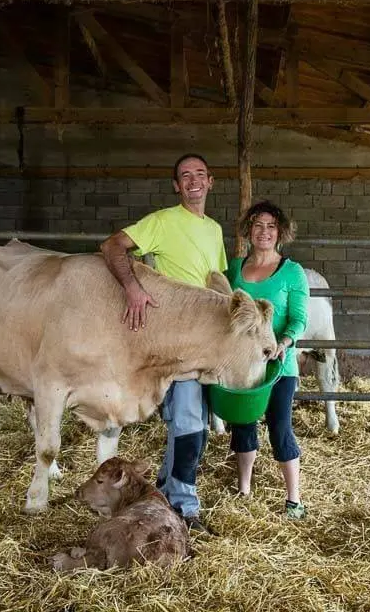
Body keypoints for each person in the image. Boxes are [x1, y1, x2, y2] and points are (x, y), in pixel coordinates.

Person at [100, 154, 227, 535]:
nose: (193, 181)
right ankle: (184, 508)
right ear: (176, 185)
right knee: (188, 420)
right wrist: (132, 288)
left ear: (210, 182)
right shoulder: (163, 220)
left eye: (200, 174)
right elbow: (112, 246)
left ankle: (163, 493)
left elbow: (215, 282)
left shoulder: (215, 230)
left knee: (194, 423)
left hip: (204, 342)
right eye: (185, 175)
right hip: (173, 344)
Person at [225, 200, 309, 519]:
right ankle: (244, 490)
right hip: (243, 365)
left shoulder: (292, 272)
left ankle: (293, 500)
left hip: (278, 366)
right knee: (243, 425)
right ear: (249, 230)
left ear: (281, 232)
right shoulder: (235, 269)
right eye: (258, 225)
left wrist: (284, 342)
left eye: (271, 226)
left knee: (279, 427)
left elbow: (298, 319)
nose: (264, 232)